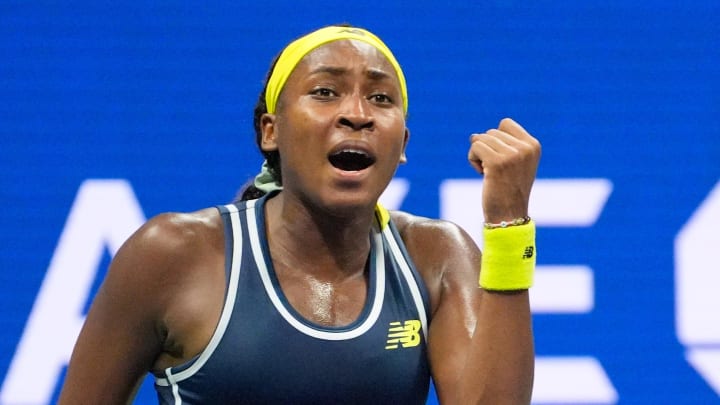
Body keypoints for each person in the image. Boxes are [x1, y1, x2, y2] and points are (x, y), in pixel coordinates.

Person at [59, 24, 540, 404]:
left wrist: (508, 224)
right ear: (271, 131)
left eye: (380, 98)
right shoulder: (172, 254)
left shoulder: (437, 255)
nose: (357, 113)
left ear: (403, 147)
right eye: (326, 92)